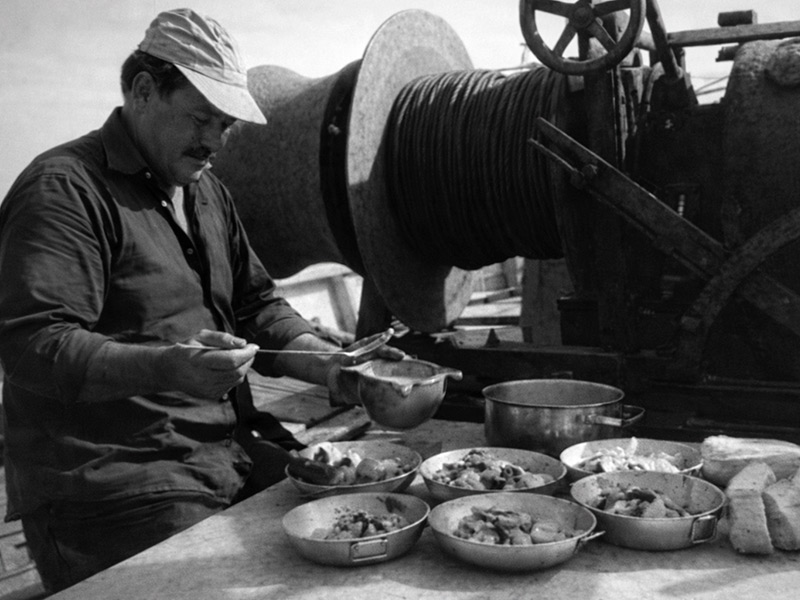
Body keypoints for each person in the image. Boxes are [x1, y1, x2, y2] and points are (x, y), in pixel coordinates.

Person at [0, 8, 400, 593]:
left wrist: (326, 364)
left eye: (227, 123)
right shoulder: (63, 189)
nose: (215, 140)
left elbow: (257, 305)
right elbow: (33, 345)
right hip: (114, 486)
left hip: (227, 451)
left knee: (365, 526)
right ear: (142, 91)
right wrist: (167, 366)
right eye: (202, 118)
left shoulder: (206, 190)